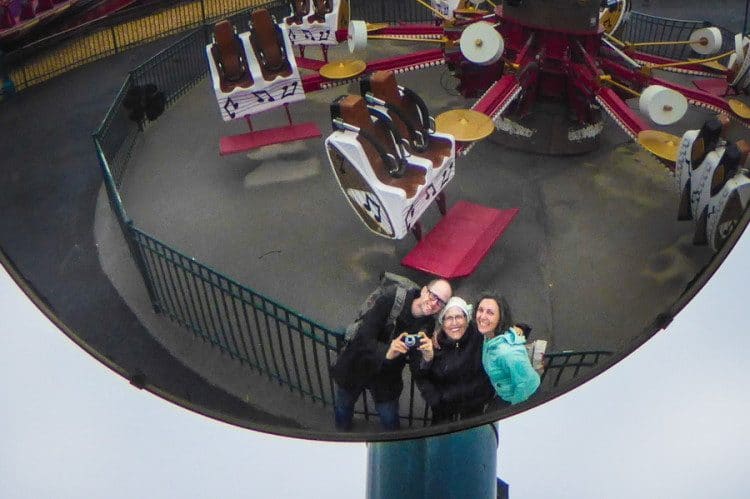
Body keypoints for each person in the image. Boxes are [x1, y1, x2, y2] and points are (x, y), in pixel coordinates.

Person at [331, 278, 452, 431]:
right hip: (358, 364)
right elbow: (364, 336)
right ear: (424, 290)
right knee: (344, 406)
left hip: (386, 377)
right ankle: (342, 434)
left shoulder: (427, 324)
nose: (434, 303)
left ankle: (390, 443)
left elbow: (416, 365)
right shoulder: (392, 298)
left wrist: (427, 358)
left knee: (389, 418)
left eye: (441, 302)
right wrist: (387, 352)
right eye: (433, 296)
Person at [414, 296, 495, 424]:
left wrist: (485, 394)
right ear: (442, 323)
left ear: (467, 320)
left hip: (474, 404)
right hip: (443, 407)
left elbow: (500, 326)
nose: (454, 323)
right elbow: (421, 375)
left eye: (459, 317)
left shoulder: (479, 336)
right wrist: (434, 400)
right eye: (449, 318)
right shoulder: (432, 344)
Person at [475, 292, 540, 405]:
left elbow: (526, 385)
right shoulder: (489, 335)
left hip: (522, 398)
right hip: (504, 393)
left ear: (501, 318)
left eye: (490, 313)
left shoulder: (508, 353)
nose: (482, 316)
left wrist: (512, 411)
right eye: (480, 310)